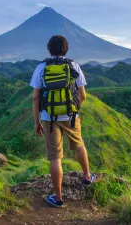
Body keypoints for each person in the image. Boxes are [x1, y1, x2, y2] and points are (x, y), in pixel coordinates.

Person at [29, 35, 96, 208]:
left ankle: (58, 198)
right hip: (71, 116)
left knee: (55, 157)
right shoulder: (73, 65)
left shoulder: (41, 67)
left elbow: (36, 97)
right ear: (66, 49)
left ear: (49, 49)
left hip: (48, 118)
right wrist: (72, 109)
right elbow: (83, 95)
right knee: (79, 145)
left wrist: (37, 121)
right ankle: (87, 177)